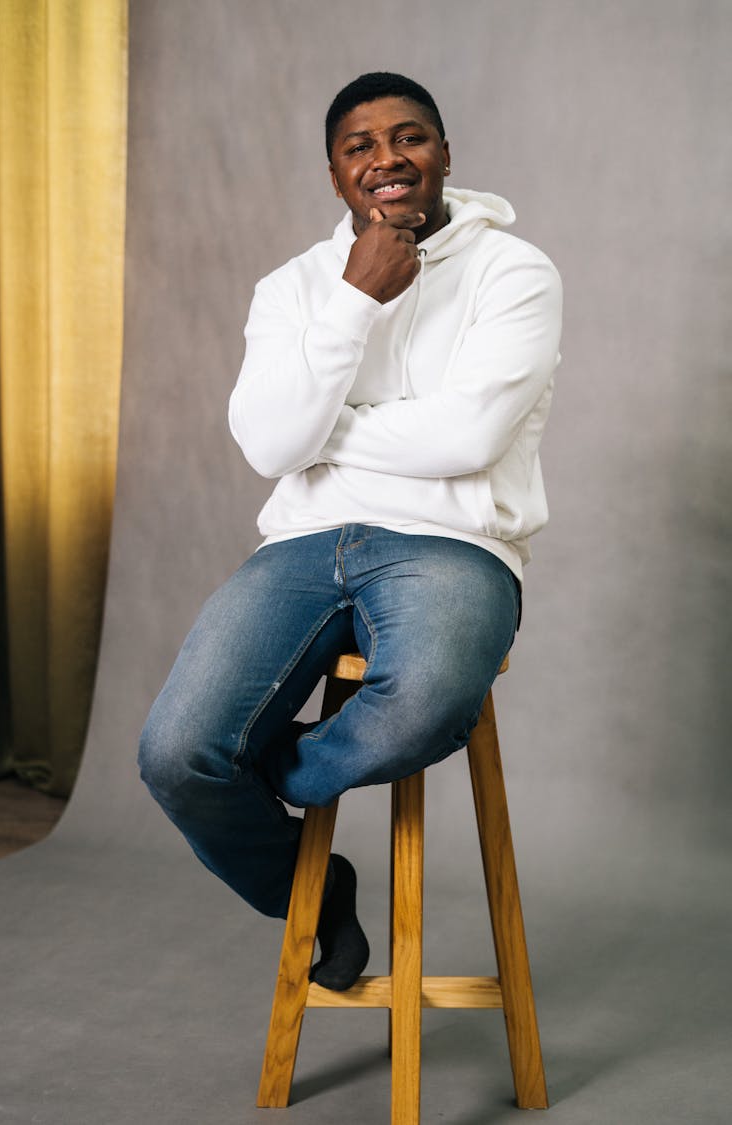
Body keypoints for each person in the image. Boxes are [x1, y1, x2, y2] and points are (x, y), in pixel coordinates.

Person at [138, 72, 562, 992]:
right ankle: (316, 890)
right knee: (177, 756)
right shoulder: (293, 289)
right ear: (335, 174)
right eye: (359, 146)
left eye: (408, 138)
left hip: (454, 546)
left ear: (444, 153)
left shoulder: (515, 271)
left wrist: (329, 434)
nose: (386, 160)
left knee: (423, 703)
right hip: (302, 544)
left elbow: (469, 437)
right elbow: (269, 445)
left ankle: (282, 769)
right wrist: (353, 300)